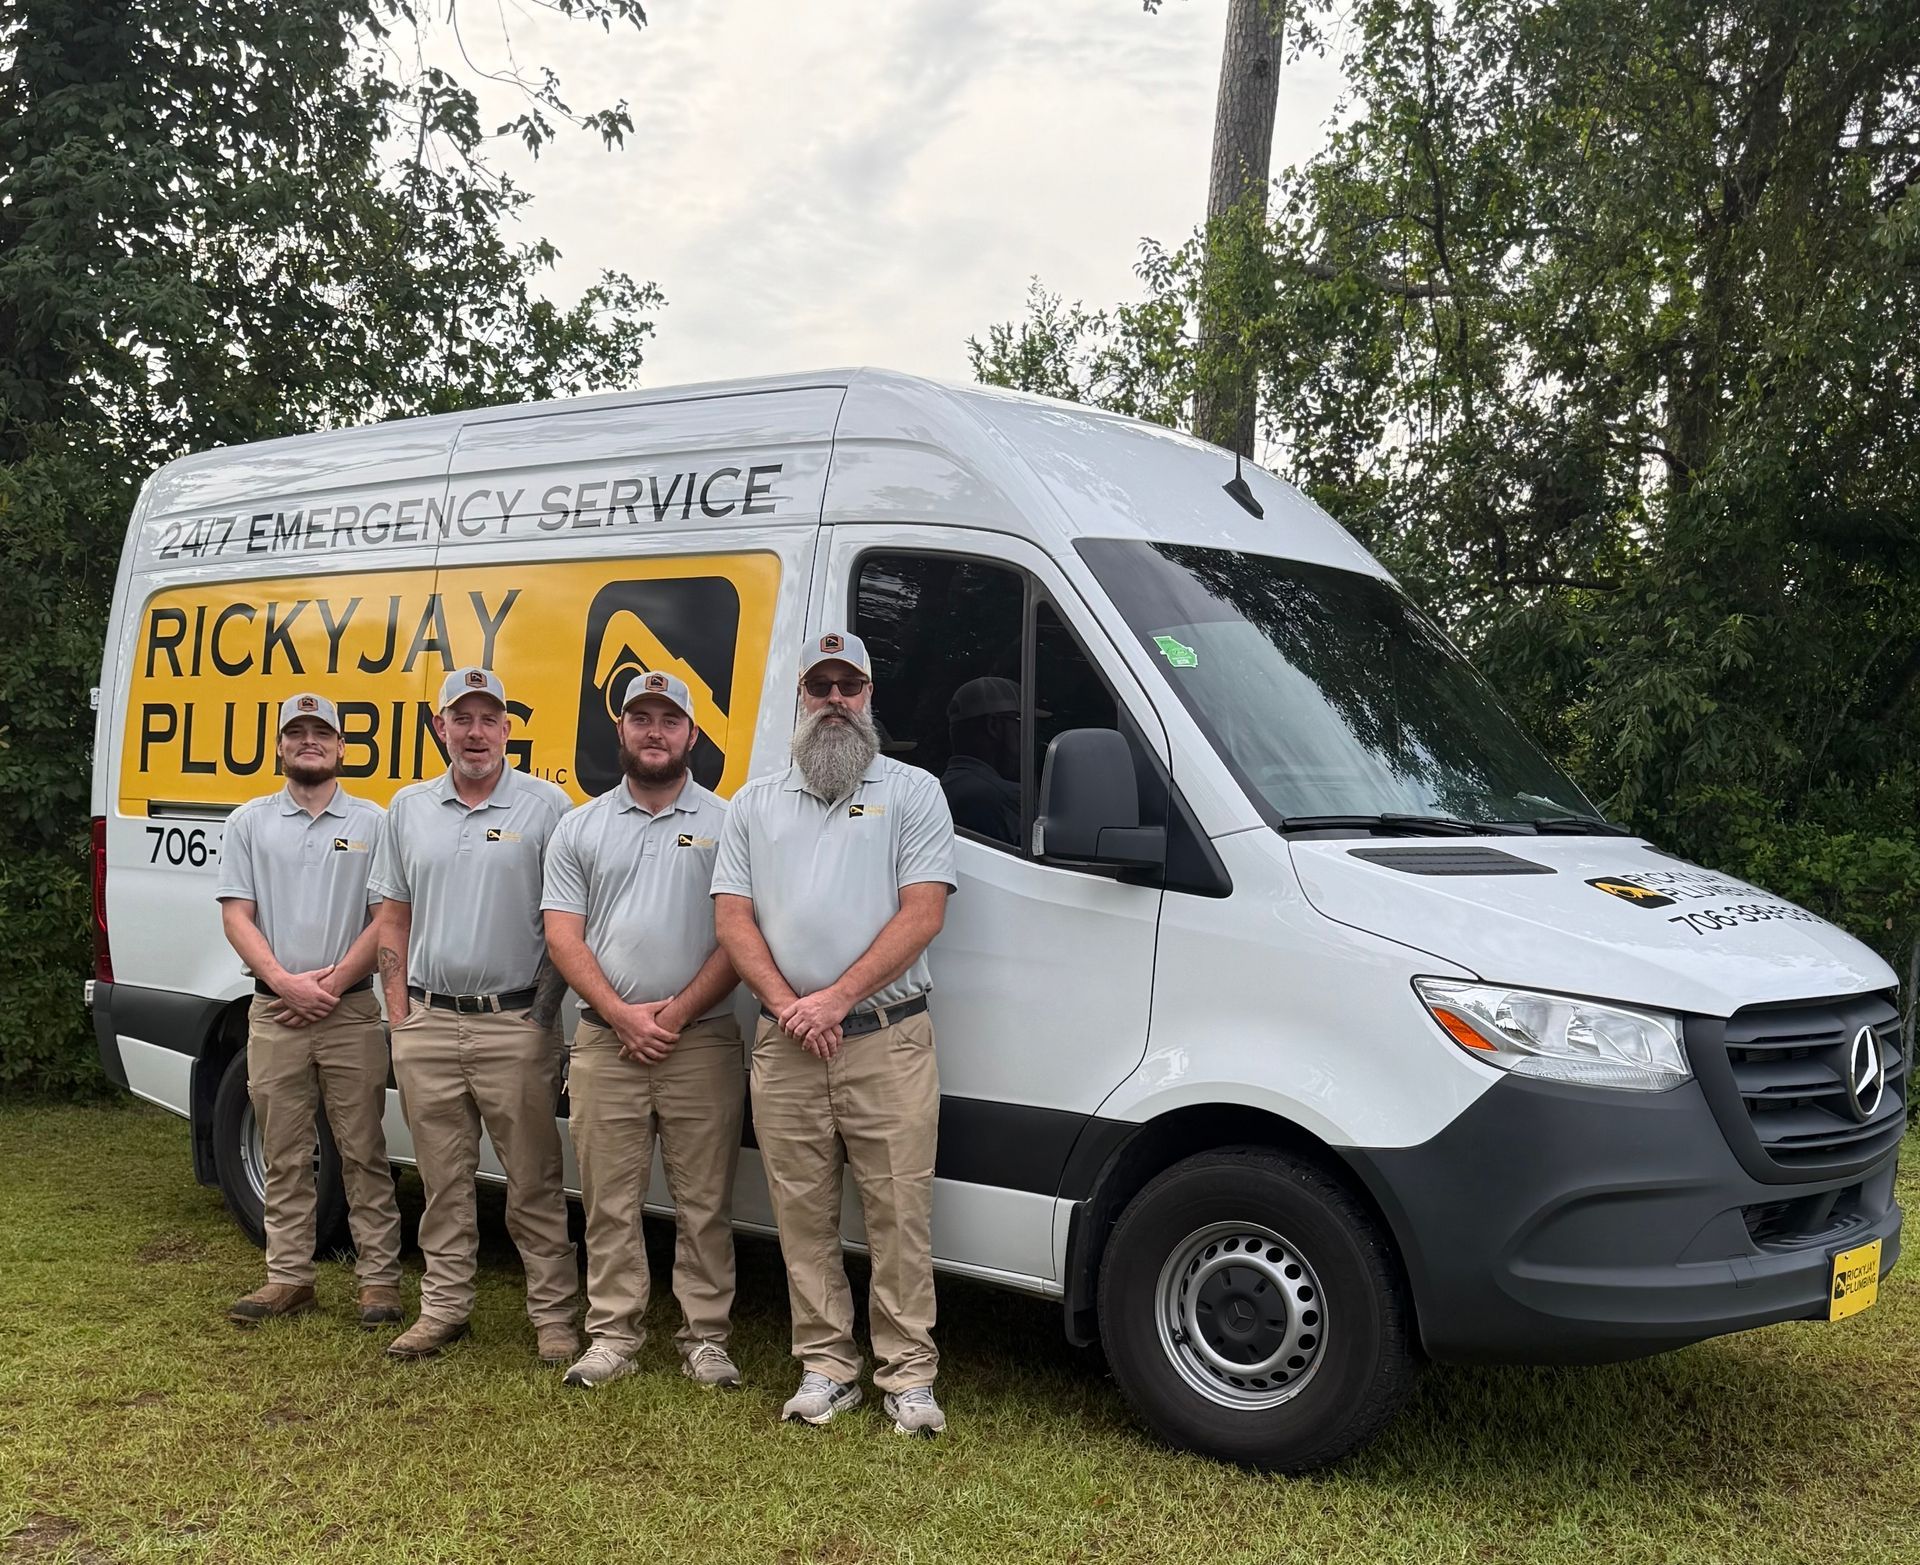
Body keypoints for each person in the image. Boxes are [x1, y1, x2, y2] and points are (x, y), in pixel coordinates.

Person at [712, 630, 957, 1436]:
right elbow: (733, 916)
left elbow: (924, 911)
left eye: (849, 686)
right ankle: (826, 1365)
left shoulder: (913, 792)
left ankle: (908, 1377)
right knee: (802, 1213)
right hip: (788, 1043)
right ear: (800, 700)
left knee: (898, 1213)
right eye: (820, 687)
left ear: (870, 697)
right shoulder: (754, 803)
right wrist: (790, 1005)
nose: (835, 702)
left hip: (885, 1038)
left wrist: (836, 996)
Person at [541, 670, 746, 1391]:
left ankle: (706, 1337)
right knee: (609, 1198)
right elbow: (564, 936)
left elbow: (740, 937)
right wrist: (625, 1015)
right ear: (620, 730)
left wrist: (677, 1011)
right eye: (640, 718)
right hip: (605, 1039)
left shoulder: (730, 822)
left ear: (692, 734)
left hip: (702, 1041)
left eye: (669, 719)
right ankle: (612, 1334)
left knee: (705, 1202)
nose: (654, 731)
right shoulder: (580, 826)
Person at [368, 666, 578, 1364]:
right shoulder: (408, 807)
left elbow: (566, 923)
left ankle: (553, 1320)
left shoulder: (547, 806)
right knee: (442, 1182)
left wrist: (540, 1018)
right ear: (440, 727)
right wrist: (400, 1018)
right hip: (427, 1021)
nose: (476, 731)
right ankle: (444, 1309)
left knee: (533, 1183)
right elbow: (391, 917)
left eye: (489, 718)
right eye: (462, 717)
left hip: (514, 1023)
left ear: (509, 728)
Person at [214, 693, 404, 1329]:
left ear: (343, 746)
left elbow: (388, 919)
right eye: (295, 733)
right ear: (279, 746)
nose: (308, 741)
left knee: (363, 1151)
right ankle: (288, 1278)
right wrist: (281, 982)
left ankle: (379, 1283)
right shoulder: (248, 823)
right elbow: (236, 914)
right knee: (284, 1150)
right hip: (274, 1014)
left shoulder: (375, 823)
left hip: (348, 1013)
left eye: (321, 732)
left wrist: (330, 984)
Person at [939, 676, 1023, 846]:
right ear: (993, 726)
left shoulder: (937, 791)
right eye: (1020, 723)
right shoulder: (1004, 798)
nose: (1029, 737)